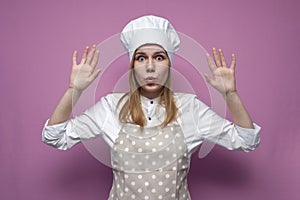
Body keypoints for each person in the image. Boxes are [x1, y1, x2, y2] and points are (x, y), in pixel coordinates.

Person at [42, 15, 261, 200]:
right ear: (132, 66)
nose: (149, 67)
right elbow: (55, 136)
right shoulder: (110, 107)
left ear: (169, 64)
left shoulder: (190, 108)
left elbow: (246, 140)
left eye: (158, 57)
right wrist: (74, 90)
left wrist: (230, 95)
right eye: (141, 58)